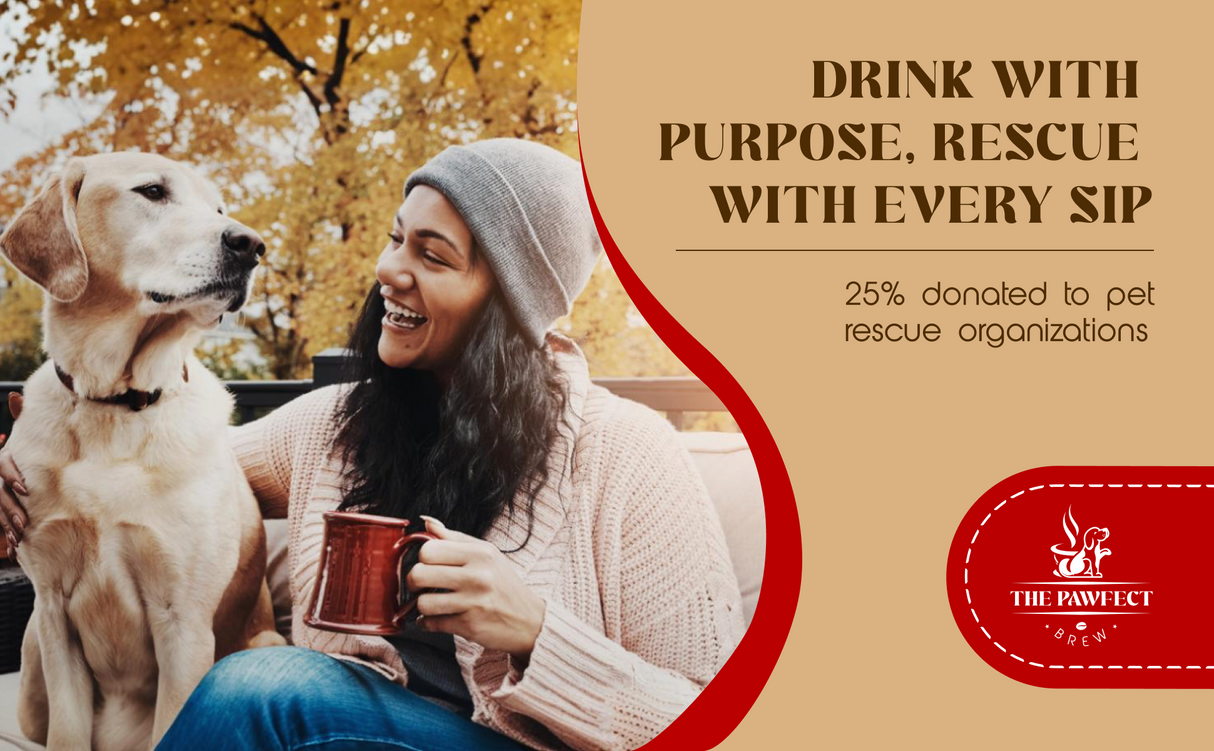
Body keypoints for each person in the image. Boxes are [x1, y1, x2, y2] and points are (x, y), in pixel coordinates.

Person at [0, 138, 745, 750]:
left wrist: (536, 631)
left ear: (511, 305)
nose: (390, 270)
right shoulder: (333, 425)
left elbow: (714, 719)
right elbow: (161, 473)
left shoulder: (630, 453)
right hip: (352, 729)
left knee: (269, 686)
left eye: (433, 255)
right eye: (395, 238)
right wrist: (16, 467)